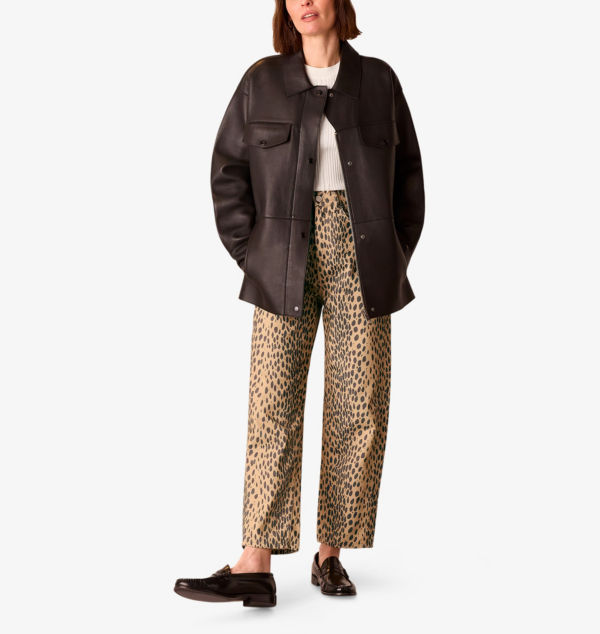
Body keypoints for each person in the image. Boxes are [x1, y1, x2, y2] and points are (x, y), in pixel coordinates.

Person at [174, 0, 425, 608]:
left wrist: (392, 253)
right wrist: (254, 254)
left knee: (360, 403)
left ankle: (330, 553)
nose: (304, 2)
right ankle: (255, 561)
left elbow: (409, 181)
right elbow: (228, 173)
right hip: (281, 255)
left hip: (363, 253)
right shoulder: (262, 80)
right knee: (272, 401)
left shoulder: (379, 81)